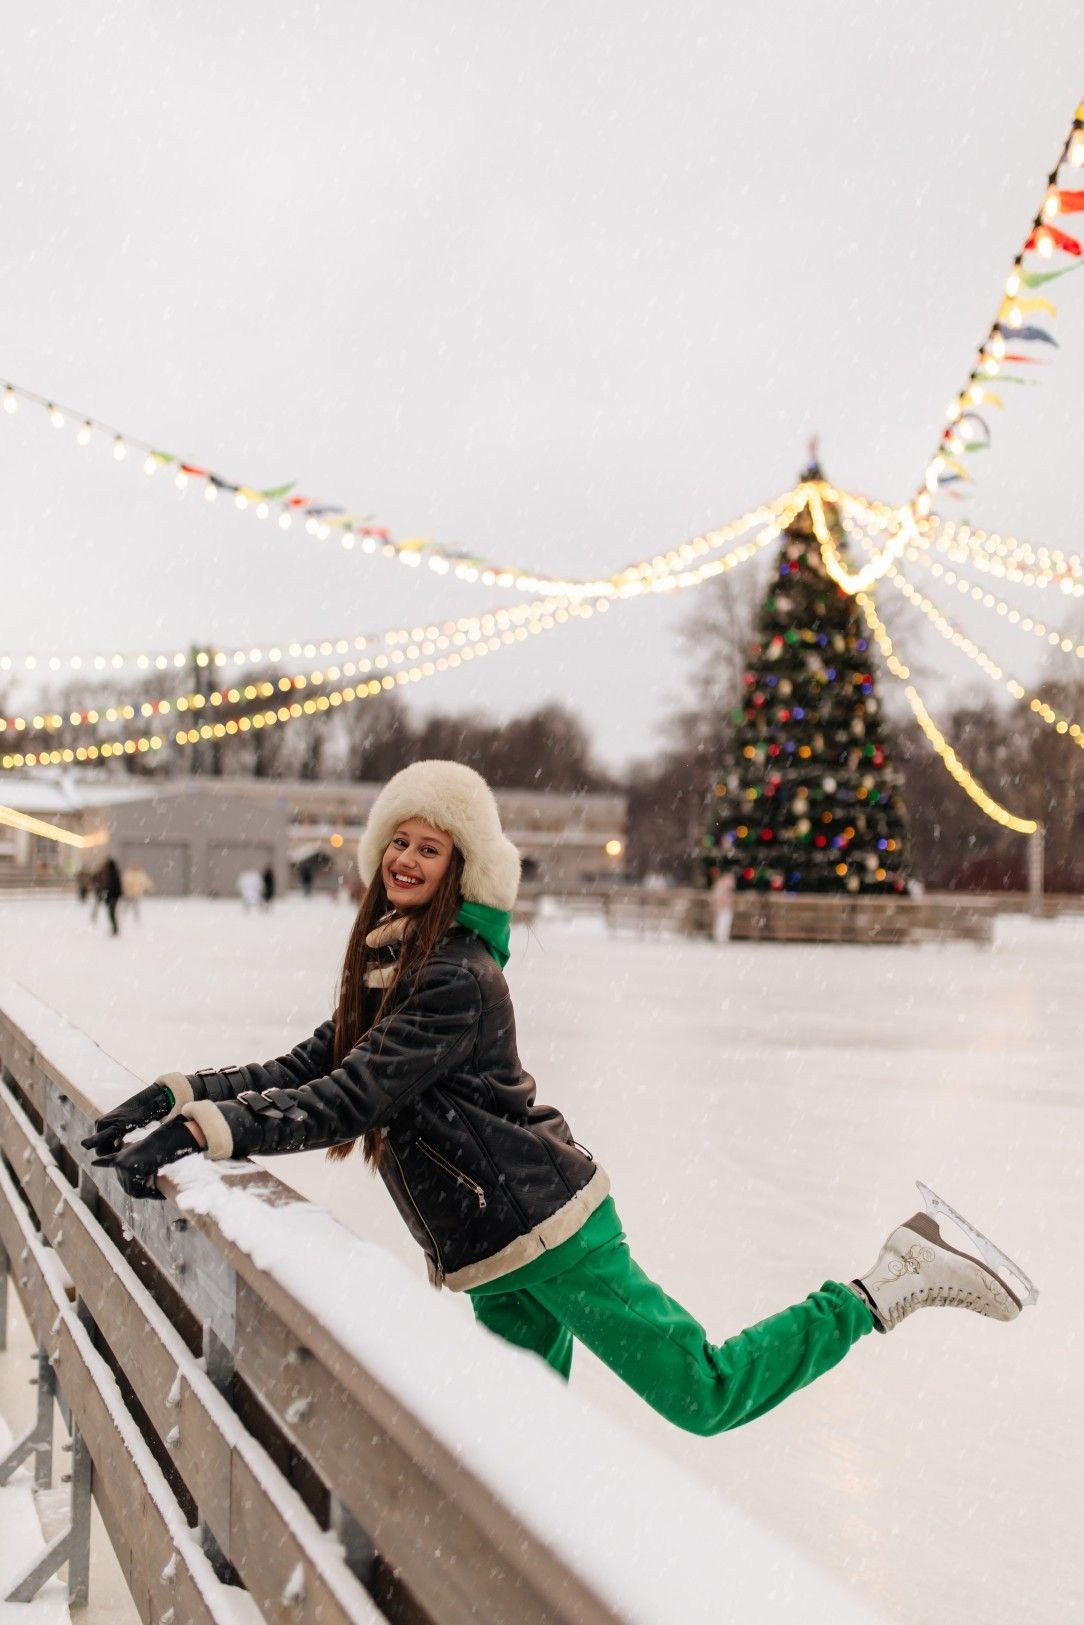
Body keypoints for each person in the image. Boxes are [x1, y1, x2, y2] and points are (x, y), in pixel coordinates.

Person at [82, 761, 1035, 1436]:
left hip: (554, 1231)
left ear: (463, 868)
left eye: (431, 847)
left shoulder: (454, 976)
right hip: (492, 1253)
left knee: (703, 1395)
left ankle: (883, 1285)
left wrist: (204, 1131)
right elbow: (309, 1061)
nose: (408, 860)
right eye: (398, 843)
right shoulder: (398, 964)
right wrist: (181, 1094)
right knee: (515, 1439)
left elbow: (348, 1096)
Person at [96, 857, 123, 937]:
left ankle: (115, 929)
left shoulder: (111, 874)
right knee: (111, 913)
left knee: (111, 913)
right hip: (112, 896)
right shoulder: (111, 874)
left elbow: (114, 887)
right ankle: (114, 929)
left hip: (112, 896)